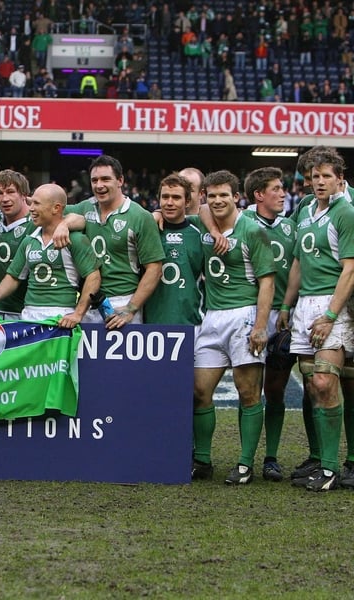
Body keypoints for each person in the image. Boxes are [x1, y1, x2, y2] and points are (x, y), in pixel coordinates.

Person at [191, 170, 275, 484]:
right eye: (211, 195)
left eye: (223, 195)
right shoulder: (203, 225)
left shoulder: (252, 230)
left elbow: (267, 282)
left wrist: (260, 326)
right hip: (211, 316)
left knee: (248, 392)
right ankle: (202, 460)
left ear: (236, 197)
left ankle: (244, 464)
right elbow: (199, 210)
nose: (217, 201)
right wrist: (214, 232)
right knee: (199, 391)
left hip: (244, 315)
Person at [280, 148, 354, 491]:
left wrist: (329, 315)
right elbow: (297, 262)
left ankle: (332, 467)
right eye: (314, 176)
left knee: (326, 382)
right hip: (304, 305)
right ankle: (323, 464)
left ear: (340, 178)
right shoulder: (306, 210)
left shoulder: (346, 211)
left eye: (326, 176)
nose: (319, 181)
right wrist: (285, 306)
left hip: (332, 304)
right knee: (312, 385)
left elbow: (351, 269)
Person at [55, 155, 164, 327]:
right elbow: (51, 211)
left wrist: (130, 308)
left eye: (105, 179)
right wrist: (64, 223)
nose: (99, 185)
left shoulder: (140, 216)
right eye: (94, 180)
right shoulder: (85, 207)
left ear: (120, 180)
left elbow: (155, 269)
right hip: (88, 302)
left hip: (122, 302)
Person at [0, 183, 100, 329]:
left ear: (56, 208)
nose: (31, 209)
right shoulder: (29, 240)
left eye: (36, 203)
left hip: (61, 316)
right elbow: (14, 276)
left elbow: (93, 276)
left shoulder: (75, 239)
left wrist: (78, 314)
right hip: (28, 315)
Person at [241, 167, 296, 482]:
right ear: (259, 194)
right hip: (251, 313)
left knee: (276, 388)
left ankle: (271, 458)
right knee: (248, 387)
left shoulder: (291, 227)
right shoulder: (243, 223)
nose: (283, 193)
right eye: (276, 188)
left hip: (284, 316)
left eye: (282, 187)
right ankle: (244, 457)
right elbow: (206, 209)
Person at [144, 173, 203, 327]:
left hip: (190, 322)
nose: (169, 202)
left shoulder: (199, 234)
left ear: (188, 201)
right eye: (165, 197)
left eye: (176, 197)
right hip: (151, 322)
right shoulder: (147, 230)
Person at [0, 170, 35, 319]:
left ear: (23, 195)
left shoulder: (38, 221)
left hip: (25, 311)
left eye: (10, 192)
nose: (5, 198)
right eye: (0, 193)